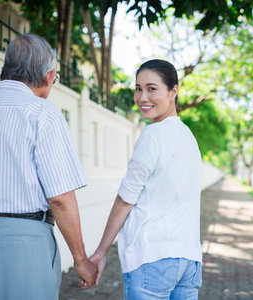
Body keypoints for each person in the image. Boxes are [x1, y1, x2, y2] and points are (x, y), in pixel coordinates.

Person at [0, 33, 97, 300]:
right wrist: (81, 260)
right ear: (49, 75)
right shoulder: (43, 113)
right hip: (21, 241)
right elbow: (61, 198)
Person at [83, 59, 203, 299]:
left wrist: (101, 251)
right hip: (189, 261)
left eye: (152, 89)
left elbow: (126, 199)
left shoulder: (154, 134)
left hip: (153, 259)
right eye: (138, 89)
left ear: (173, 91)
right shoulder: (188, 137)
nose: (142, 97)